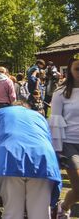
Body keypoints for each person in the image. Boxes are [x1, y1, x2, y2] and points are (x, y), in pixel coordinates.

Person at [0, 104, 61, 219]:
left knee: (12, 212)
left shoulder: (1, 113)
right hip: (42, 159)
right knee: (40, 214)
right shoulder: (40, 117)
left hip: (9, 159)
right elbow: (48, 140)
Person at [49, 55, 79, 218]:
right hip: (69, 144)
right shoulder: (61, 92)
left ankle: (64, 207)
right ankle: (64, 207)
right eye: (77, 69)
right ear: (70, 70)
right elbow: (55, 122)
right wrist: (57, 150)